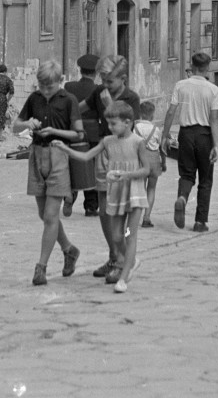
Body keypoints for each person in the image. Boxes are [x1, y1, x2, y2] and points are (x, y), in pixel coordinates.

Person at [55, 102, 154, 293]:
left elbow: (146, 169)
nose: (110, 127)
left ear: (127, 122)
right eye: (108, 123)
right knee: (117, 236)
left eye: (113, 124)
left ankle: (124, 277)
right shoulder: (108, 141)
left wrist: (127, 175)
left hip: (134, 194)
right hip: (117, 195)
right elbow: (86, 157)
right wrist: (65, 149)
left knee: (129, 234)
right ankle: (131, 261)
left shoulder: (137, 142)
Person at [13, 59, 83, 286]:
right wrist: (27, 123)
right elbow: (16, 125)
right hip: (36, 156)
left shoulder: (69, 100)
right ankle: (69, 249)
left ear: (60, 82)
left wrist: (56, 131)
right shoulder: (34, 98)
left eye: (49, 87)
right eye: (42, 86)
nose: (45, 91)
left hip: (59, 155)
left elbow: (78, 135)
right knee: (44, 215)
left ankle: (41, 267)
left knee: (51, 215)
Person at [86, 55, 142, 276]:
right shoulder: (98, 92)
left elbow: (133, 129)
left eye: (109, 80)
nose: (104, 85)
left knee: (123, 211)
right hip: (104, 154)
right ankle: (114, 257)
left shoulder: (132, 98)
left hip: (126, 158)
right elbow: (79, 107)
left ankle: (123, 262)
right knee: (104, 210)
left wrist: (110, 105)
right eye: (102, 79)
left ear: (123, 79)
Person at [160, 50, 218, 233]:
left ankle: (182, 198)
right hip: (204, 135)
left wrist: (164, 135)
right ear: (207, 68)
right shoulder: (213, 89)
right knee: (205, 179)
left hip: (185, 134)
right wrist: (216, 145)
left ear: (192, 66)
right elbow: (214, 119)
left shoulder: (181, 85)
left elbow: (171, 111)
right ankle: (200, 221)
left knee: (187, 175)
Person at [63, 53, 101, 216]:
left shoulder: (69, 87)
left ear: (80, 70)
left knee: (72, 165)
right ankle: (91, 206)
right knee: (91, 168)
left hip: (73, 131)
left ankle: (70, 195)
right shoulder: (98, 89)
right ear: (96, 72)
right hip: (92, 133)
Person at [134, 99, 164, 227]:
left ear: (140, 113)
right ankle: (147, 217)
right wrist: (164, 162)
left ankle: (135, 218)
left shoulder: (135, 127)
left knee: (139, 189)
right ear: (152, 114)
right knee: (151, 188)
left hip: (141, 159)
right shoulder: (156, 129)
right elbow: (161, 146)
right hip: (154, 159)